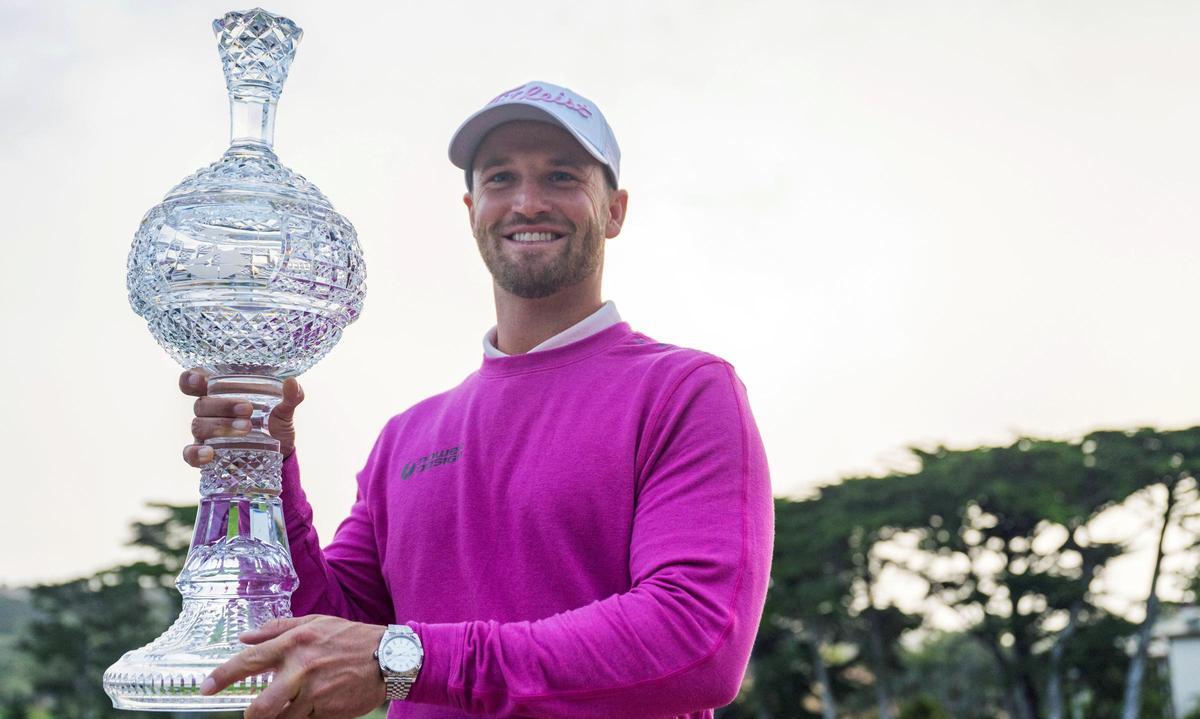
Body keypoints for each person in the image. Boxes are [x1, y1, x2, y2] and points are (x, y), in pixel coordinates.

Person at [180, 81, 774, 719]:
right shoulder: (406, 437)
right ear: (471, 209)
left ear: (615, 210)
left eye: (562, 177)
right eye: (500, 179)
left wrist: (405, 661)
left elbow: (696, 641)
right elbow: (328, 629)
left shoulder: (685, 392)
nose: (527, 202)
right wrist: (263, 471)